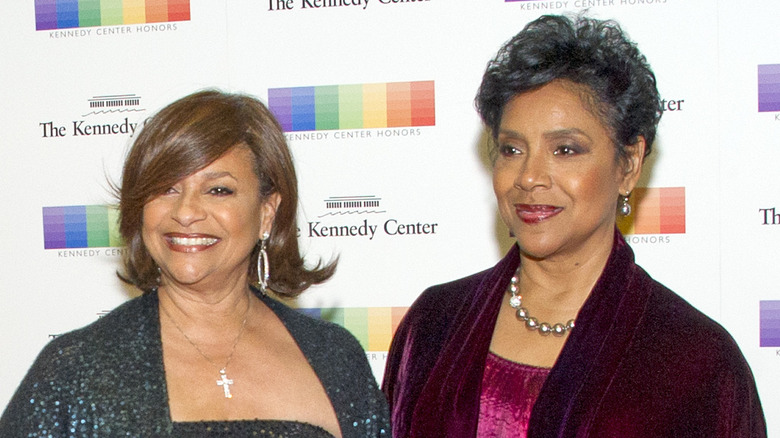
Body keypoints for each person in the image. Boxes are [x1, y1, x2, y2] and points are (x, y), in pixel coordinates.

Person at [382, 14, 766, 438]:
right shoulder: (435, 326)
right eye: (511, 149)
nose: (529, 177)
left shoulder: (693, 362)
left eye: (565, 150)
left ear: (629, 163)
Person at [1, 90, 389, 437]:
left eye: (218, 190)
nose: (185, 212)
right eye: (166, 188)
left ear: (267, 213)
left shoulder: (335, 358)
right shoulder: (76, 369)